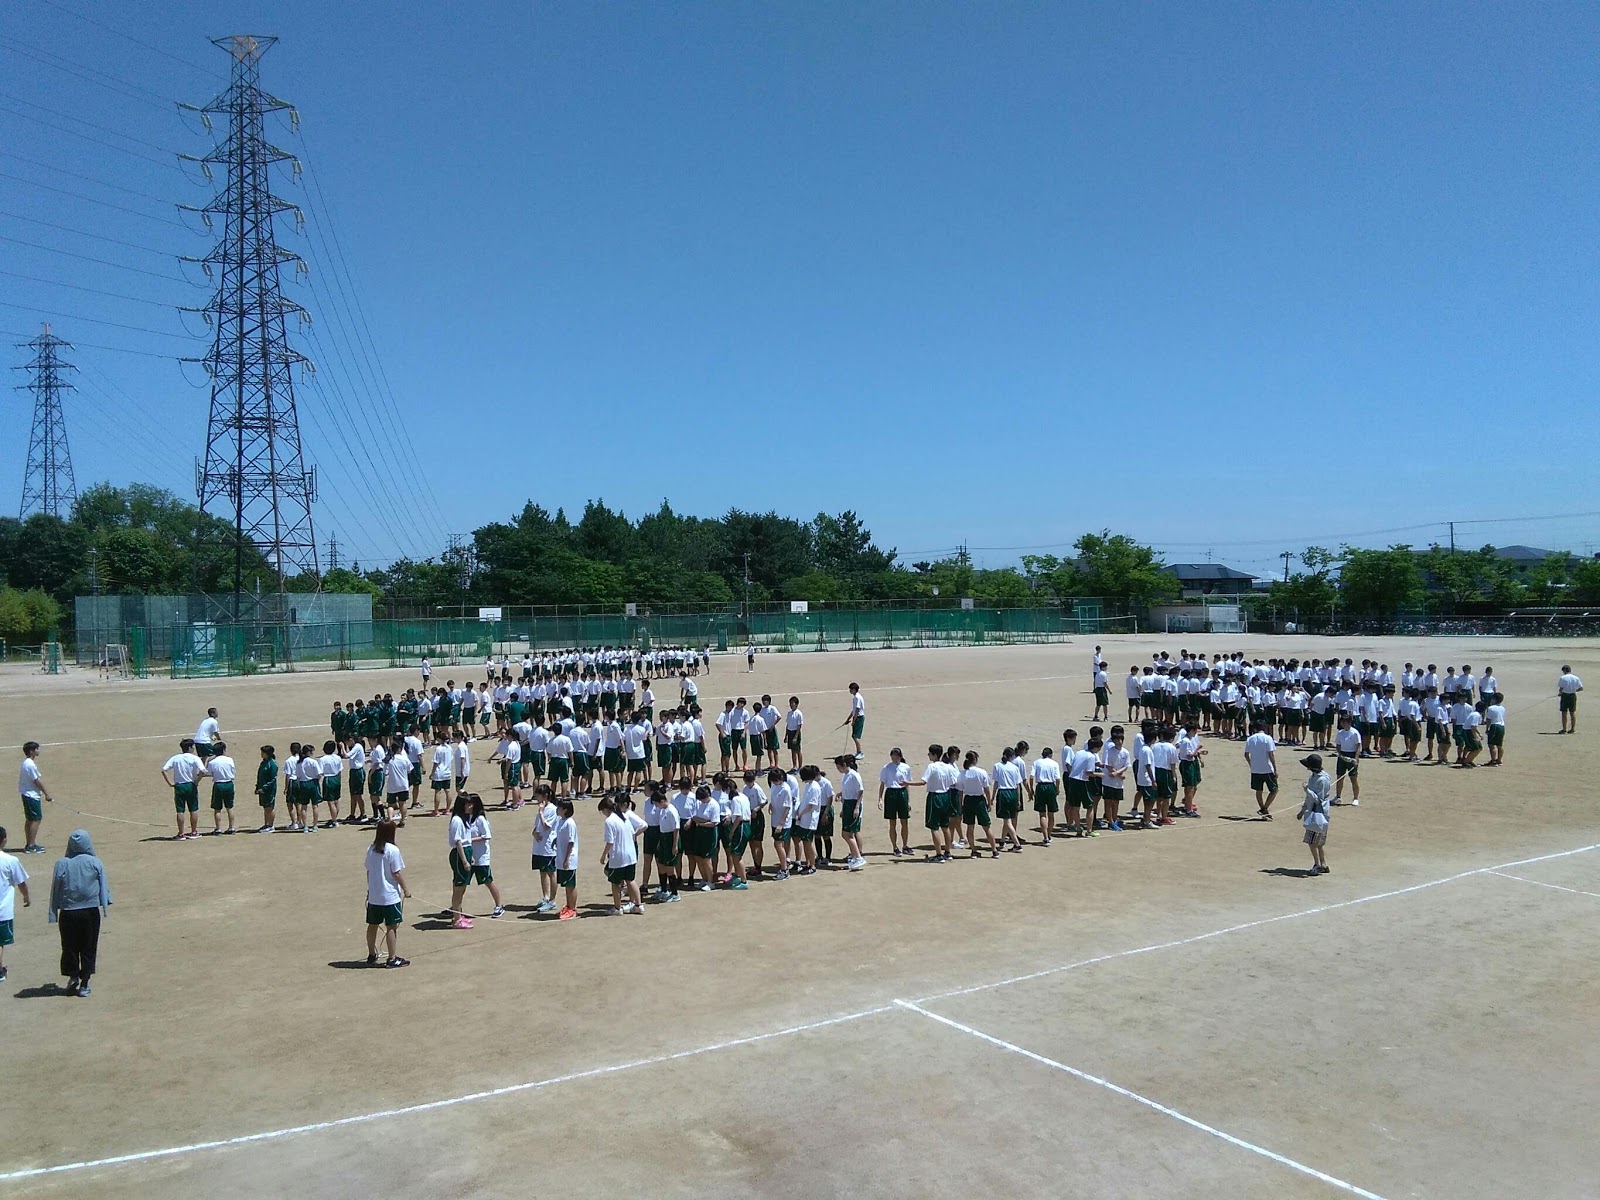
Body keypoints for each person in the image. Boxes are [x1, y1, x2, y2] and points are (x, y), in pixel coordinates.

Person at [49, 829, 109, 998]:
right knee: (89, 947)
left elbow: (55, 890)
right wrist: (105, 905)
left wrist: (53, 912)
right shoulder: (95, 862)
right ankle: (84, 984)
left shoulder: (62, 863)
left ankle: (73, 976)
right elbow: (103, 885)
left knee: (69, 946)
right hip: (90, 912)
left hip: (68, 912)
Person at [364, 821, 412, 968]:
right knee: (391, 926)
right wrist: (406, 889)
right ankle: (392, 958)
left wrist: (370, 890)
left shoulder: (371, 849)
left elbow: (369, 871)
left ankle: (371, 954)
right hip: (390, 896)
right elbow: (396, 873)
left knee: (373, 925)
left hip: (374, 895)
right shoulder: (393, 850)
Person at [600, 795, 646, 913]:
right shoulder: (624, 816)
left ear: (605, 809)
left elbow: (610, 842)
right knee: (631, 880)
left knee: (615, 883)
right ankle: (638, 905)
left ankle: (617, 908)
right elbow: (632, 833)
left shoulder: (609, 821)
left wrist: (603, 855)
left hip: (618, 857)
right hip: (630, 855)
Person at [0, 825, 29, 982]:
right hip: (2, 911)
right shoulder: (11, 860)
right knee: (0, 943)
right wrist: (26, 897)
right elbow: (21, 882)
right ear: (4, 840)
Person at [162, 739, 206, 841]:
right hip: (191, 785)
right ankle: (194, 832)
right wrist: (197, 781)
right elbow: (203, 771)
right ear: (190, 748)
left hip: (179, 786)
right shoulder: (195, 758)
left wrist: (170, 783)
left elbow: (164, 770)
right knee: (193, 809)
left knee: (180, 810)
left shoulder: (175, 758)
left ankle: (181, 833)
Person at [956, 750, 997, 858]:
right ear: (975, 760)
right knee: (986, 826)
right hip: (979, 800)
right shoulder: (981, 772)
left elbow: (960, 793)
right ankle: (994, 850)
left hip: (968, 800)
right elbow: (986, 789)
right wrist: (989, 802)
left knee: (970, 826)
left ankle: (973, 850)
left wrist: (960, 805)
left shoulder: (962, 774)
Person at [1297, 754, 1332, 875]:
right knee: (1318, 843)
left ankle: (1317, 865)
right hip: (1314, 812)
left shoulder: (1322, 780)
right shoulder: (1314, 777)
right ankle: (1323, 864)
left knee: (1313, 842)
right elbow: (1309, 799)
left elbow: (1318, 799)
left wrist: (1307, 790)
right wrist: (1302, 810)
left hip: (1318, 814)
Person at [529, 784, 560, 913]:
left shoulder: (552, 809)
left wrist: (541, 812)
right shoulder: (542, 809)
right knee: (542, 872)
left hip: (548, 847)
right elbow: (537, 826)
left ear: (545, 796)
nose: (537, 798)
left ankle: (552, 900)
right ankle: (546, 897)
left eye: (538, 795)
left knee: (551, 873)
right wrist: (534, 833)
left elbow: (547, 826)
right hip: (539, 847)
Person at [17, 741, 52, 854]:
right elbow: (36, 781)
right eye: (37, 749)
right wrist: (47, 793)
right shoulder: (30, 765)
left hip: (27, 794)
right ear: (32, 751)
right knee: (36, 819)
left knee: (30, 819)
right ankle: (31, 845)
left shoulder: (26, 762)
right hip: (31, 795)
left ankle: (29, 843)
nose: (38, 750)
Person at [878, 748, 912, 857]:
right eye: (893, 756)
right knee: (892, 822)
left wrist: (908, 800)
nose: (894, 758)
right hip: (891, 793)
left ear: (900, 756)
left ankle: (905, 845)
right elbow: (882, 784)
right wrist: (880, 798)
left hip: (902, 793)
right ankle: (895, 847)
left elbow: (907, 784)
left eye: (896, 756)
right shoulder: (886, 767)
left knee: (904, 821)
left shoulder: (906, 767)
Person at [835, 755, 866, 871]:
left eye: (839, 767)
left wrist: (857, 807)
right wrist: (841, 794)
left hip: (853, 804)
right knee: (849, 833)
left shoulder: (854, 775)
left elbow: (860, 791)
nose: (838, 770)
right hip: (847, 804)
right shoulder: (846, 775)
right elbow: (848, 789)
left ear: (844, 765)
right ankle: (854, 856)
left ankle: (858, 856)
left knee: (847, 834)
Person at [1244, 722, 1279, 819]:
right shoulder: (1268, 738)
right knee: (1274, 789)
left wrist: (1251, 764)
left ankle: (1263, 808)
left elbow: (1246, 754)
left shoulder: (1250, 739)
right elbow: (1271, 755)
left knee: (1258, 790)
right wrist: (1275, 769)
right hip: (1267, 769)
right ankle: (1265, 808)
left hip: (1255, 769)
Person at [554, 798, 579, 920]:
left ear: (565, 810)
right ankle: (568, 906)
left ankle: (572, 909)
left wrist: (566, 859)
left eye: (559, 807)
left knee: (570, 885)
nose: (557, 809)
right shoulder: (561, 821)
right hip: (561, 857)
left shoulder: (570, 823)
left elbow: (571, 842)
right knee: (566, 885)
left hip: (568, 859)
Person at [205, 742, 238, 835]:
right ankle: (231, 828)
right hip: (229, 784)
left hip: (218, 784)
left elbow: (208, 773)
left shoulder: (212, 762)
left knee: (217, 808)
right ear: (223, 750)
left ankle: (218, 828)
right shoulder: (230, 760)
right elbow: (233, 771)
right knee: (229, 807)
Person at [255, 745, 279, 832]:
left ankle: (271, 825)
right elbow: (259, 776)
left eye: (263, 753)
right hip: (262, 789)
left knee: (270, 807)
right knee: (265, 807)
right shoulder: (263, 763)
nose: (261, 754)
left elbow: (273, 779)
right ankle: (266, 824)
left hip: (269, 790)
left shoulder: (272, 764)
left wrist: (264, 788)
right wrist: (257, 787)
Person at [1558, 665, 1583, 733]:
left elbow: (1561, 688)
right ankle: (1573, 728)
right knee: (1572, 712)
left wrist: (1560, 693)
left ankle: (1564, 729)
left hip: (1565, 695)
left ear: (1564, 671)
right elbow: (1581, 688)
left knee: (1564, 712)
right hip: (1572, 695)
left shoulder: (1563, 678)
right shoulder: (1576, 678)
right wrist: (1574, 690)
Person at [844, 683, 866, 756]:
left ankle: (859, 752)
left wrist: (854, 720)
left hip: (859, 718)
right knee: (854, 736)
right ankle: (858, 751)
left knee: (855, 736)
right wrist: (848, 719)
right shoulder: (855, 697)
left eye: (850, 689)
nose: (849, 690)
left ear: (854, 689)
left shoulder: (857, 697)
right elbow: (853, 710)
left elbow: (857, 710)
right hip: (857, 717)